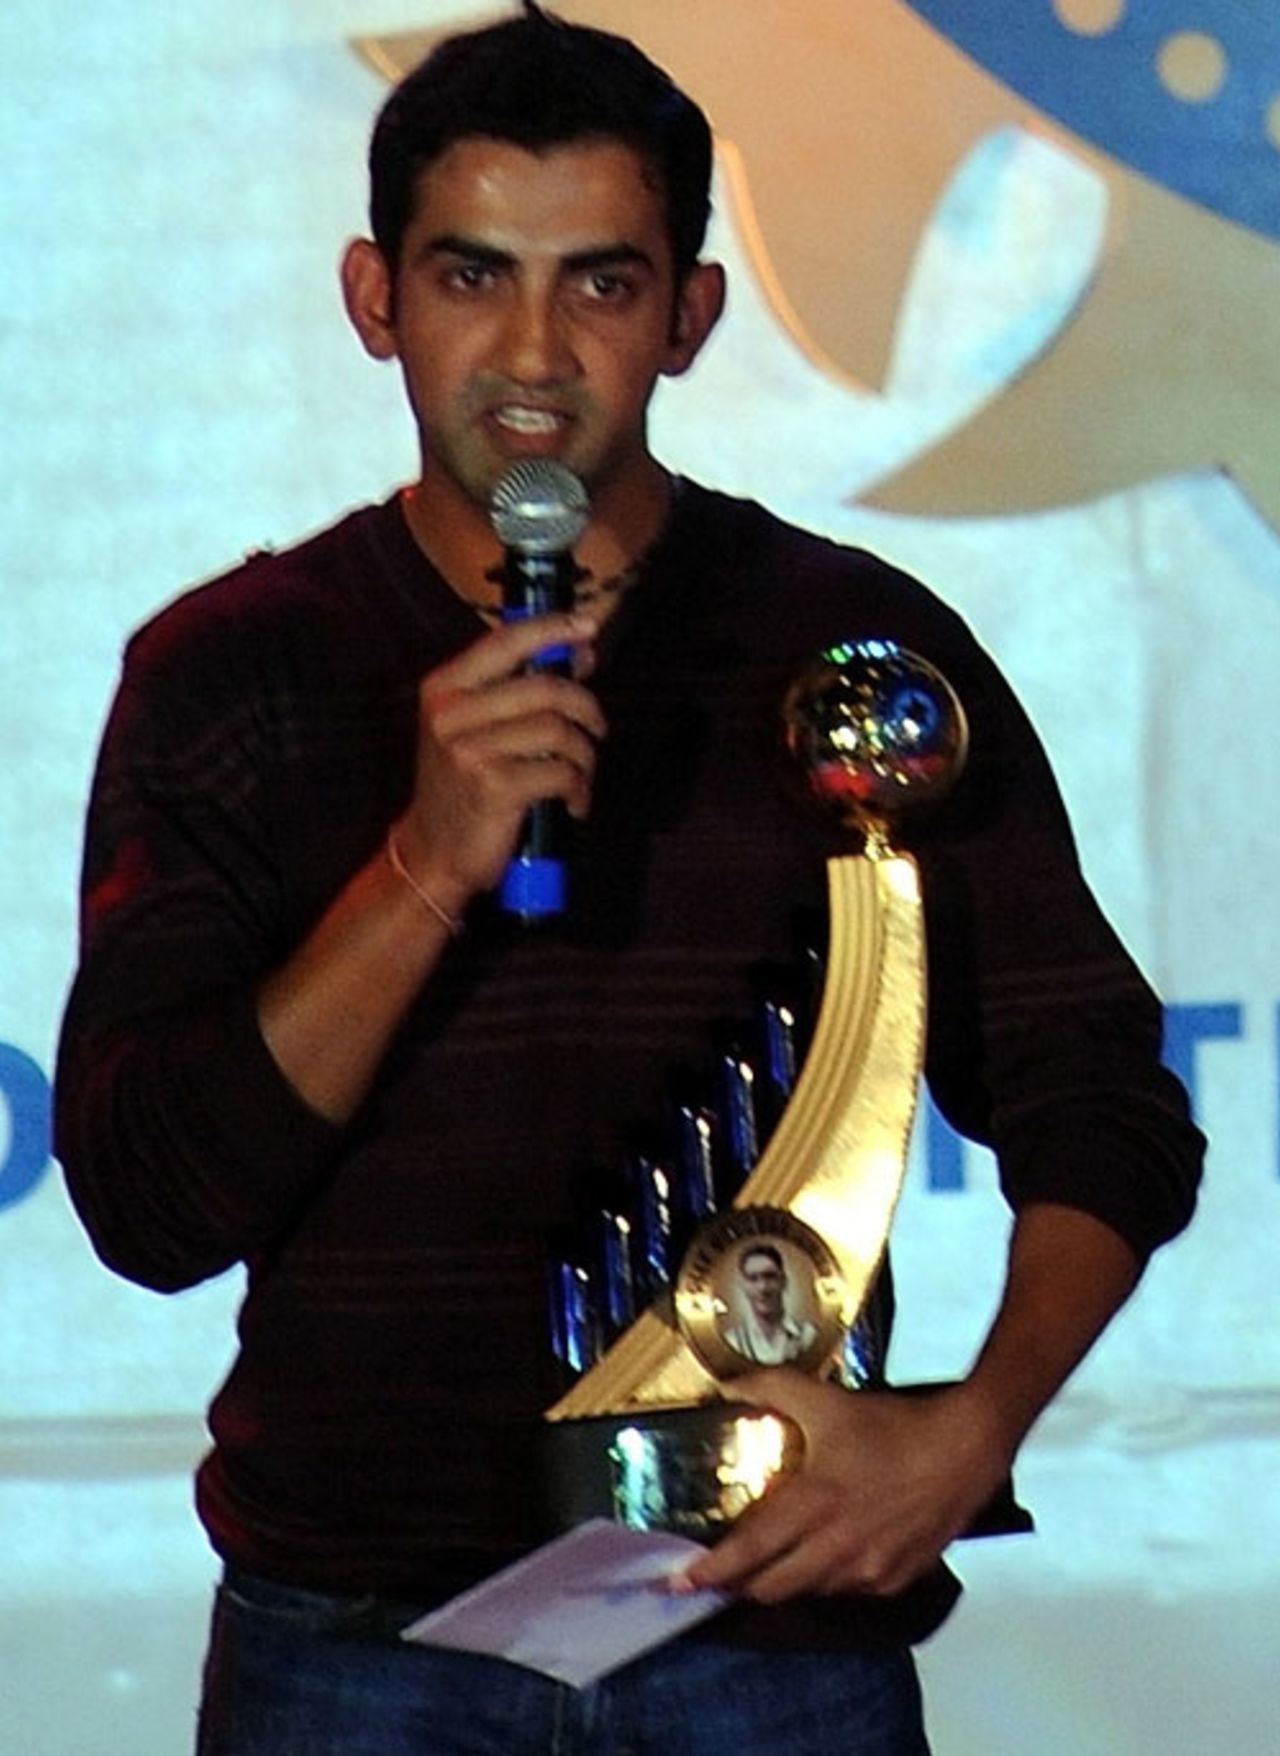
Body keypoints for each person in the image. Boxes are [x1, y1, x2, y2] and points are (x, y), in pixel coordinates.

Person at [54, 5, 1203, 1751]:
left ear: (692, 315)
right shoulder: (238, 668)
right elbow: (152, 1202)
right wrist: (426, 863)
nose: (533, 351)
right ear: (373, 298)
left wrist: (971, 1429)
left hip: (773, 1637)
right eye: (471, 277)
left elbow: (1097, 1094)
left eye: (600, 284)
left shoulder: (848, 649)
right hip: (358, 1646)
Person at [724, 1243, 818, 1365]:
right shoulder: (733, 1342)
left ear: (783, 1281)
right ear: (743, 1286)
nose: (763, 1288)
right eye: (753, 1279)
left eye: (770, 1277)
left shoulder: (808, 1336)